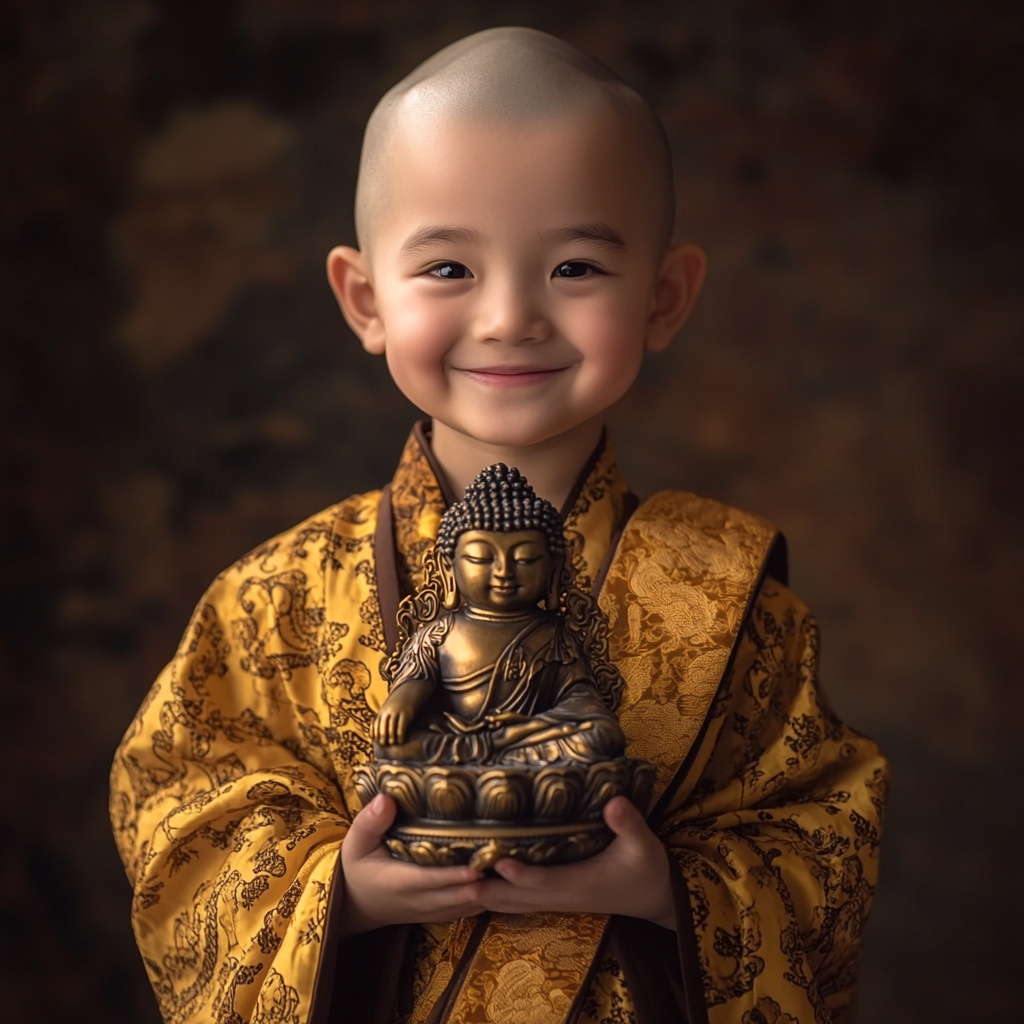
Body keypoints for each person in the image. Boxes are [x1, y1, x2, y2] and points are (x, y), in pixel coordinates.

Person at [110, 26, 887, 1024]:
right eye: (447, 269)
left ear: (665, 296)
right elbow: (176, 811)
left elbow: (823, 838)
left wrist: (661, 889)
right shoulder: (277, 594)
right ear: (363, 297)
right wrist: (337, 894)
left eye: (573, 269)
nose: (509, 316)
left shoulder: (726, 592)